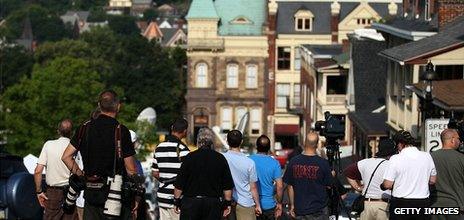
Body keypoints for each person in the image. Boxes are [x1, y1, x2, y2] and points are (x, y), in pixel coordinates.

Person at [62, 90, 140, 220]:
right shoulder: (121, 131)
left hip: (91, 193)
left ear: (99, 105)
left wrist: (81, 176)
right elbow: (131, 169)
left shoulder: (84, 128)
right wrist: (136, 195)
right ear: (118, 106)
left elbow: (66, 157)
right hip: (115, 197)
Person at [173, 127, 235, 220]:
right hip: (212, 204)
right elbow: (227, 186)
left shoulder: (190, 157)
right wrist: (227, 203)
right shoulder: (220, 158)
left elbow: (179, 184)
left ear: (198, 141)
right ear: (212, 142)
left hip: (191, 203)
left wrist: (177, 201)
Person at [381, 130, 436, 220]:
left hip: (401, 203)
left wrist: (382, 186)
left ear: (401, 144)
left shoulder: (395, 158)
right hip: (422, 203)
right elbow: (432, 180)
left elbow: (387, 184)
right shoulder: (427, 156)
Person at [344, 139, 397, 220]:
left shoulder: (365, 163)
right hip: (384, 205)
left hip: (367, 205)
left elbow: (348, 172)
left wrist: (358, 188)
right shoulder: (392, 166)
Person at [283, 132, 331, 220]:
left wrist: (292, 205)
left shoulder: (293, 162)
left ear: (305, 143)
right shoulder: (323, 163)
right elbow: (328, 185)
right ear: (316, 145)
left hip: (300, 210)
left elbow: (290, 186)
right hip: (319, 210)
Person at [34, 119, 76, 220]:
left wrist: (39, 192)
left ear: (58, 131)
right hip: (72, 193)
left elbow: (38, 171)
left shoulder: (49, 145)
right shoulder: (75, 146)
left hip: (53, 193)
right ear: (72, 132)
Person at [152, 118, 190, 220]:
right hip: (177, 199)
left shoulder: (159, 147)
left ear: (172, 129)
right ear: (185, 131)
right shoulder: (183, 150)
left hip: (162, 196)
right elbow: (188, 175)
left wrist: (165, 179)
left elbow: (155, 172)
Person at [223, 130, 262, 220]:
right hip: (246, 203)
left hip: (226, 202)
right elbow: (253, 187)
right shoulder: (249, 162)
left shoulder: (222, 158)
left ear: (227, 141)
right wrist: (257, 205)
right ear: (241, 142)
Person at [430, 129, 464, 220]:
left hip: (435, 206)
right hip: (456, 206)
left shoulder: (430, 157)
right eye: (458, 138)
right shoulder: (461, 158)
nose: (460, 141)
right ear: (452, 140)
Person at [249, 135, 283, 220]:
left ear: (256, 146)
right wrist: (279, 203)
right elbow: (280, 186)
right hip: (269, 206)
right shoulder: (275, 163)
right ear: (269, 148)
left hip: (251, 204)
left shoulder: (248, 160)